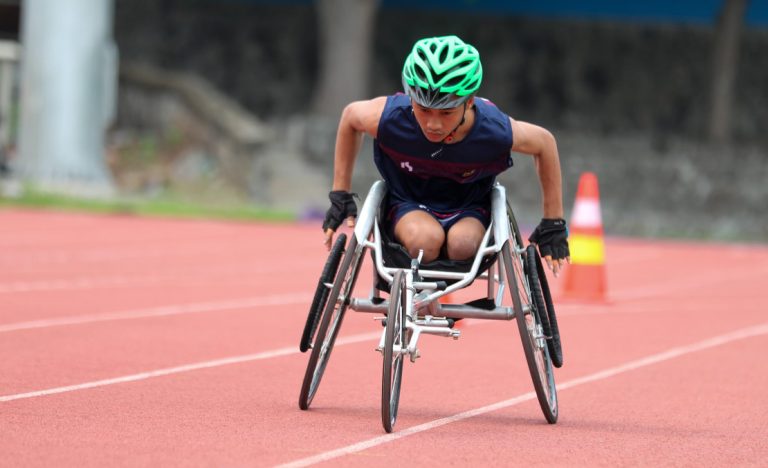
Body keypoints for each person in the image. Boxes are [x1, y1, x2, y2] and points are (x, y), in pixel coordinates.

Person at [322, 35, 570, 275]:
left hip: (468, 207)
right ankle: (422, 298)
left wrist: (553, 222)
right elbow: (350, 117)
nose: (433, 124)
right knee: (424, 241)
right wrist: (340, 193)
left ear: (469, 101)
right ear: (412, 98)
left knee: (463, 244)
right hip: (408, 203)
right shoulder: (391, 117)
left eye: (446, 112)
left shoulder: (493, 130)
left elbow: (544, 143)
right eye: (424, 110)